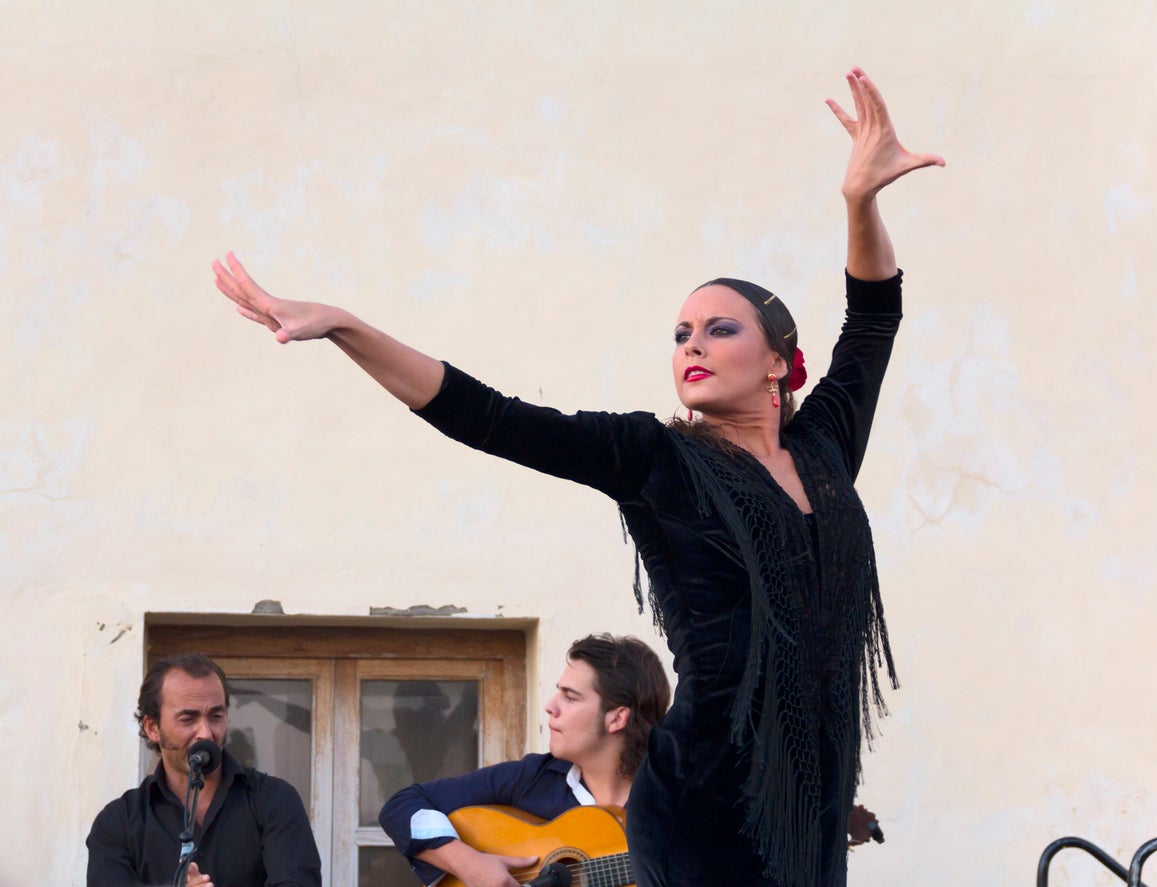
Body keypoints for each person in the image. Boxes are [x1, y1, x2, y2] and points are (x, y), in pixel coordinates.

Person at [212, 67, 942, 887]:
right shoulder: (656, 457)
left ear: (778, 360)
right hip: (703, 798)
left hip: (812, 794)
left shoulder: (824, 448)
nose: (691, 345)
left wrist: (859, 201)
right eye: (679, 333)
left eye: (718, 328)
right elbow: (488, 417)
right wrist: (347, 326)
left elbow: (874, 312)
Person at [379, 634, 671, 887]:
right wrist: (469, 864)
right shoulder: (534, 777)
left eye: (570, 697)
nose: (550, 707)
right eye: (558, 692)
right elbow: (402, 806)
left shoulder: (673, 804)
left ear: (617, 717)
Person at [86, 653, 321, 887]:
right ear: (152, 727)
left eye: (216, 716)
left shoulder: (275, 800)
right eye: (188, 719)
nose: (206, 733)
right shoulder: (117, 823)